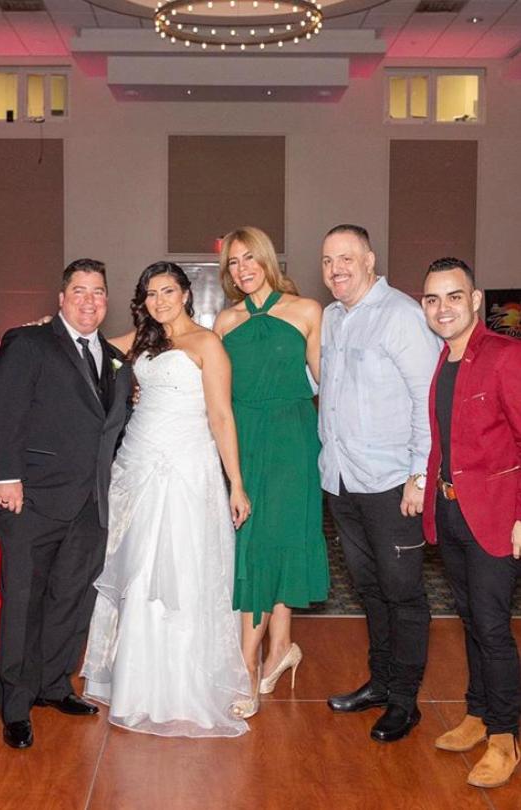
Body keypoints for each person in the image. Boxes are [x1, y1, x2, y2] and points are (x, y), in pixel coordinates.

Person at [82, 262, 253, 737]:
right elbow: (91, 344)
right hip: (136, 465)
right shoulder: (143, 340)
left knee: (183, 569)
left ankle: (182, 687)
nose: (159, 301)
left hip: (187, 469)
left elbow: (221, 416)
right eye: (151, 294)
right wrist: (47, 329)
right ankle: (134, 686)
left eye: (168, 291)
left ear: (185, 294)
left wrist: (236, 482)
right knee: (135, 570)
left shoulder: (208, 344)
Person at [0, 258, 133, 749]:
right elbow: (3, 410)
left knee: (71, 599)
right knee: (23, 602)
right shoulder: (29, 343)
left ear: (107, 301)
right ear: (62, 298)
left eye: (98, 292)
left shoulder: (116, 359)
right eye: (80, 291)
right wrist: (7, 477)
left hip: (90, 504)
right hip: (31, 498)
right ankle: (15, 704)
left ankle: (54, 684)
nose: (90, 301)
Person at [319, 224, 440, 743]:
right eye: (328, 261)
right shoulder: (332, 317)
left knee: (403, 593)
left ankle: (405, 701)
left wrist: (420, 476)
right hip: (342, 480)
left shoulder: (401, 316)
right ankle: (381, 682)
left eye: (346, 258)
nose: (336, 269)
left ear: (370, 260)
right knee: (369, 589)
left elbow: (427, 403)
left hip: (393, 484)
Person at [213, 227, 329, 717]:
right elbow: (213, 390)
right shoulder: (225, 321)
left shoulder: (307, 311)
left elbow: (330, 385)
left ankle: (252, 664)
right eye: (233, 262)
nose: (242, 269)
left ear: (267, 260)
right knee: (258, 544)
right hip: (245, 442)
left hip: (293, 442)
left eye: (249, 258)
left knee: (271, 543)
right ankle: (278, 649)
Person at [420, 257, 521, 789]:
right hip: (451, 512)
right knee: (469, 619)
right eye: (432, 299)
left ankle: (505, 735)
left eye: (454, 296)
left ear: (476, 299)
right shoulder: (444, 359)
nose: (443, 308)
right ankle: (478, 713)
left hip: (496, 515)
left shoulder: (506, 356)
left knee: (492, 626)